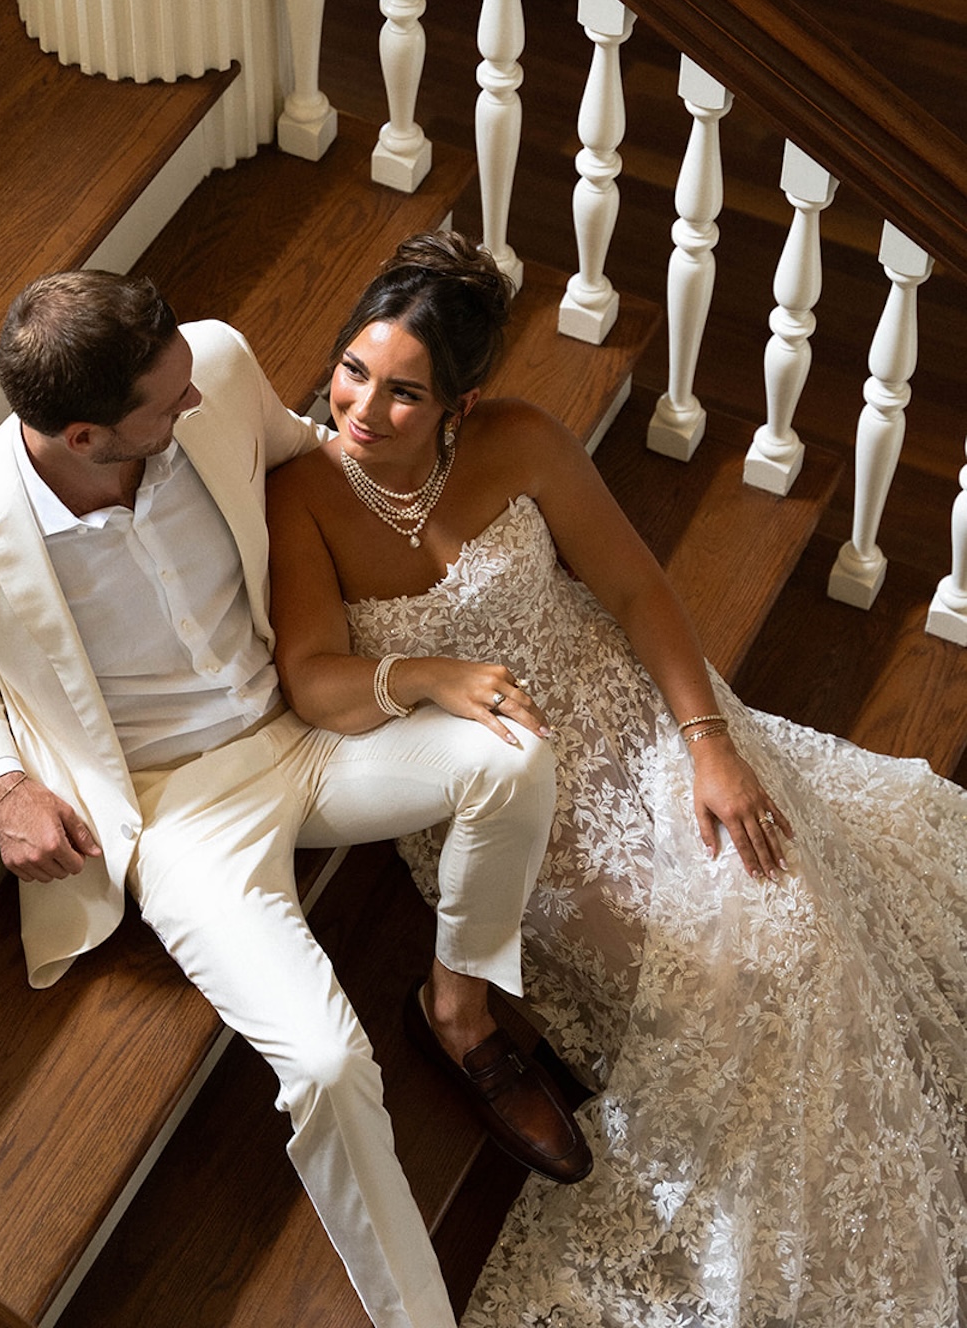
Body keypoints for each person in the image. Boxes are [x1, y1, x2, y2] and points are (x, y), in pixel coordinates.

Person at [266, 231, 967, 1328]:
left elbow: (637, 591)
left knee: (791, 913)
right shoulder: (301, 495)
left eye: (404, 393)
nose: (362, 409)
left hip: (632, 717)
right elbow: (312, 681)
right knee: (728, 974)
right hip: (507, 788)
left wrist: (708, 742)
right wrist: (425, 673)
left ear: (462, 402)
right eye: (353, 372)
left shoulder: (522, 442)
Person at [0, 267, 591, 1328]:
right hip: (173, 814)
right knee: (322, 1061)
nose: (197, 401)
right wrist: (0, 784)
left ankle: (457, 1008)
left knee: (509, 756)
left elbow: (310, 451)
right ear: (83, 437)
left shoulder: (206, 358)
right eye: (165, 407)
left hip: (302, 732)